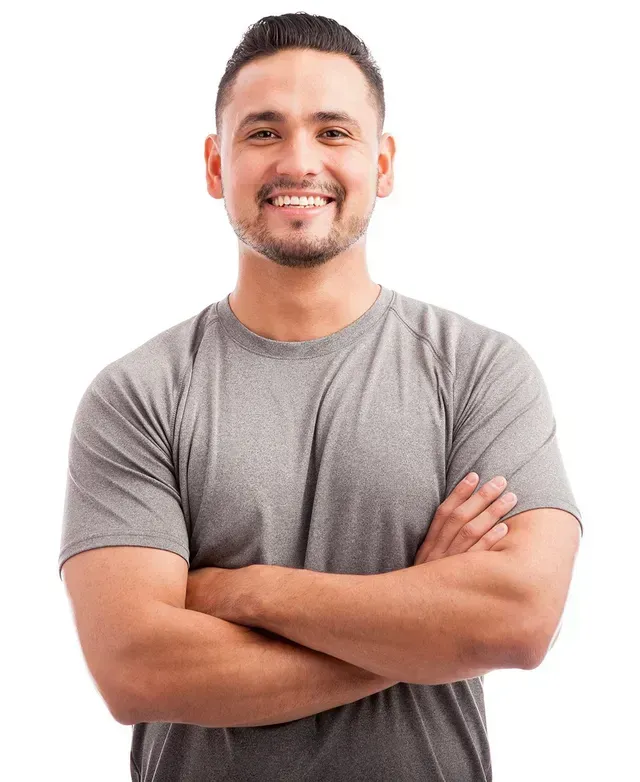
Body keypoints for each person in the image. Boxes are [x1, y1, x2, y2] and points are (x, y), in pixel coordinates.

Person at [58, 13, 582, 781]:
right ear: (215, 165)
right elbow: (138, 671)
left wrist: (245, 593)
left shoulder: (479, 371)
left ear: (384, 162)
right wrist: (422, 625)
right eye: (263, 133)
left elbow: (517, 621)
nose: (299, 161)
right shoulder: (138, 396)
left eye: (333, 131)